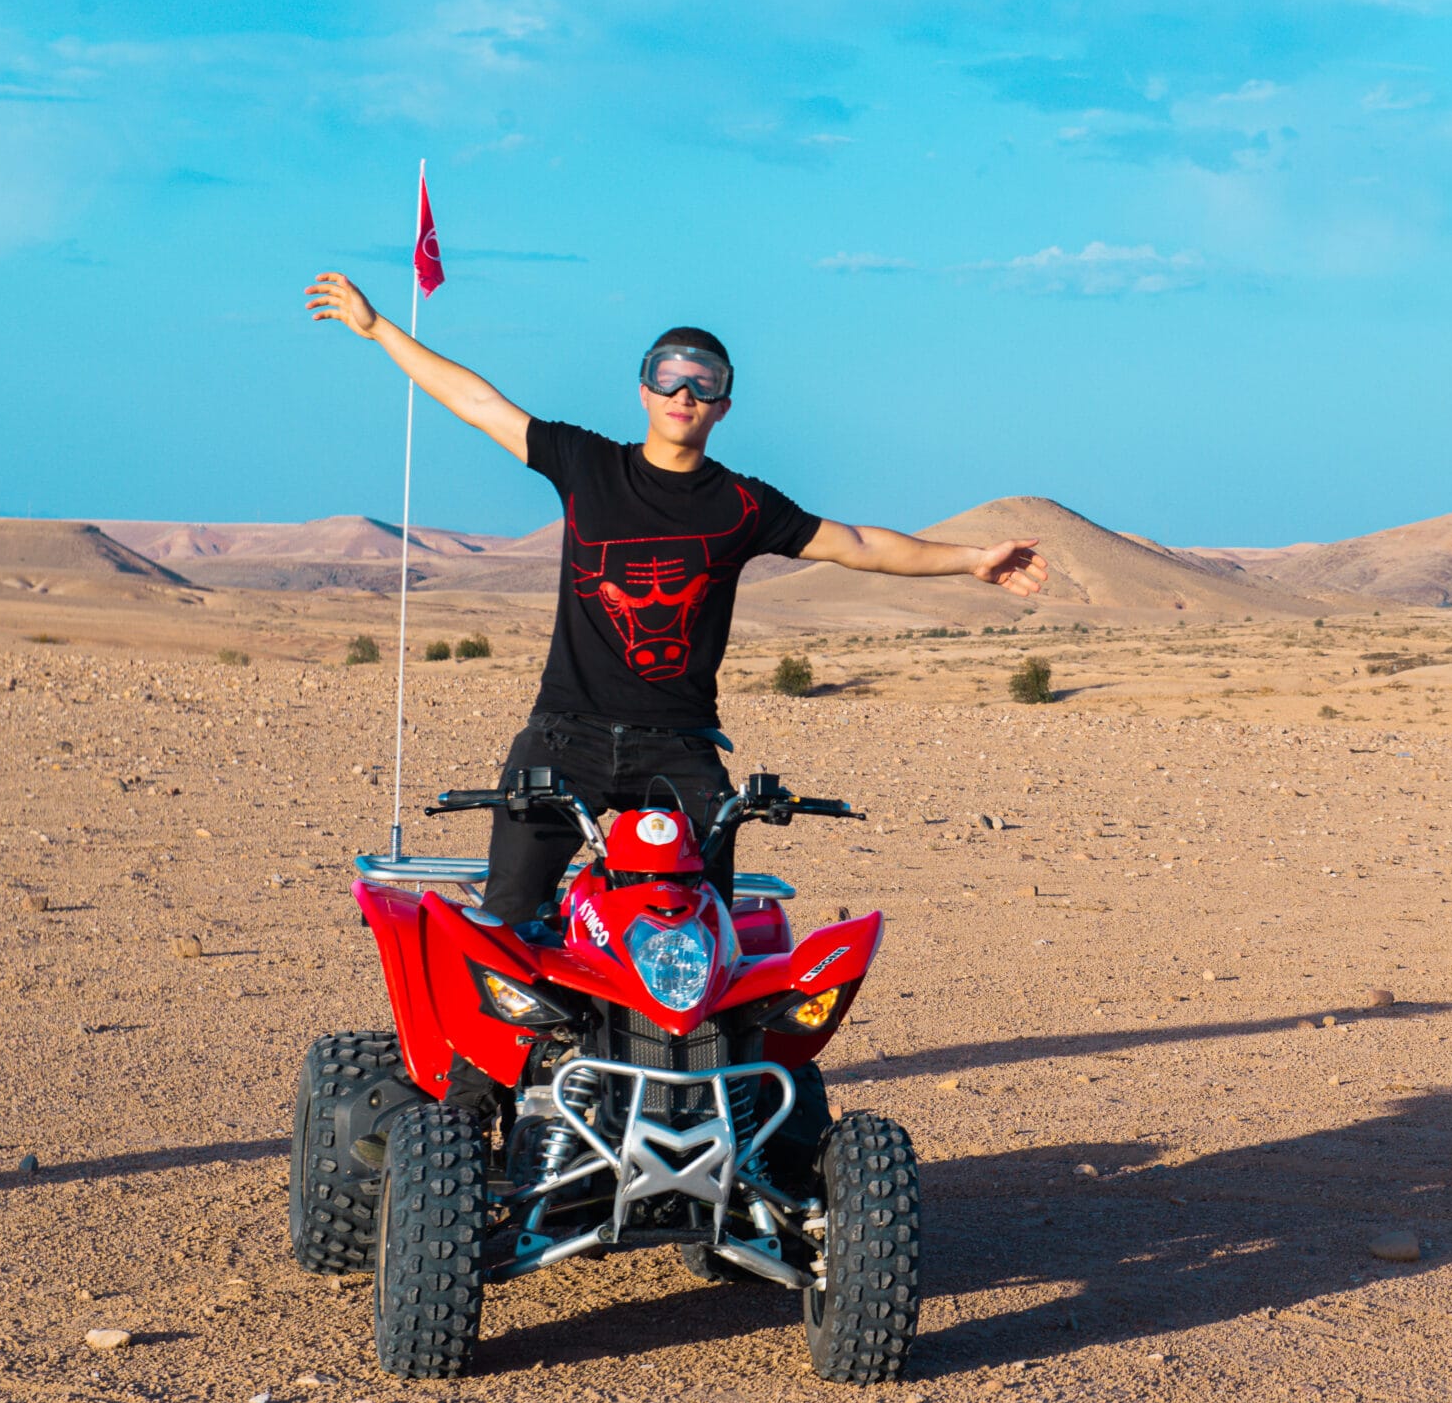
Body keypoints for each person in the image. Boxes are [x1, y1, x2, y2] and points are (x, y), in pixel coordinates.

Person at [303, 271, 1046, 924]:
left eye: (706, 381)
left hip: (681, 749)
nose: (685, 392)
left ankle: (708, 1081)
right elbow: (477, 401)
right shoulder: (584, 463)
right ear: (643, 389)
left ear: (724, 404)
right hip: (567, 735)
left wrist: (973, 560)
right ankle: (477, 1088)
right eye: (669, 375)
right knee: (509, 921)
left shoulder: (743, 504)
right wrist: (377, 330)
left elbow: (856, 543)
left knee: (703, 928)